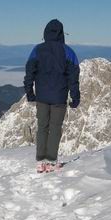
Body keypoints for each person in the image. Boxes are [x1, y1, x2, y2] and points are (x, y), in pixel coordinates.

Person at [24, 19, 80, 172]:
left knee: (42, 127)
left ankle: (40, 161)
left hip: (41, 97)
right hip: (59, 97)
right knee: (55, 128)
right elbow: (73, 78)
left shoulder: (37, 50)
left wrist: (29, 93)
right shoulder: (68, 52)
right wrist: (75, 98)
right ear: (62, 34)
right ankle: (51, 161)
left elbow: (29, 72)